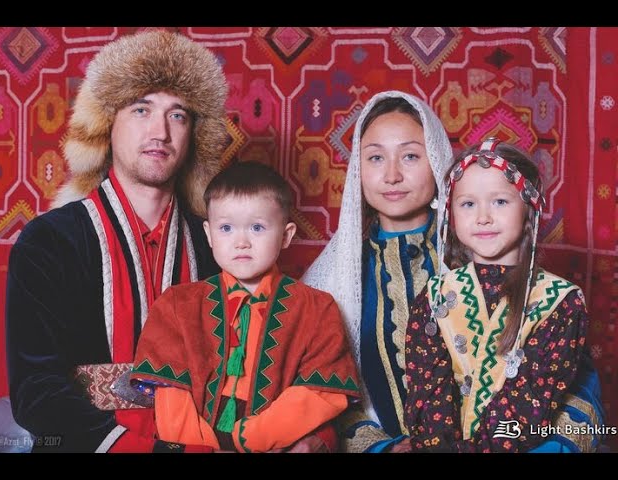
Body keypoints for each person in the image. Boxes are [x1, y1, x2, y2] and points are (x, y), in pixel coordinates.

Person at [6, 30, 227, 452]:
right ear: (108, 123)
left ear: (194, 134)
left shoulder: (217, 244)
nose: (161, 131)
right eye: (141, 109)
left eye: (178, 115)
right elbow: (35, 392)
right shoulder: (48, 242)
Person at [130, 161, 360, 453]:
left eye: (257, 227)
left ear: (286, 235)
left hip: (275, 443)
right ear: (209, 234)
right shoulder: (177, 304)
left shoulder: (317, 308)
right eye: (226, 228)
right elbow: (171, 397)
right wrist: (203, 449)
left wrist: (252, 438)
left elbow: (321, 394)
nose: (241, 242)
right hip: (197, 443)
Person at [404, 138, 605, 452]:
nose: (483, 216)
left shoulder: (559, 302)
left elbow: (527, 406)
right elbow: (427, 396)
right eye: (468, 204)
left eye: (499, 201)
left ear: (529, 208)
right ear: (450, 212)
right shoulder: (435, 297)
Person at [302, 91, 454, 452]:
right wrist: (381, 447)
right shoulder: (330, 278)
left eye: (410, 156)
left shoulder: (481, 258)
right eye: (375, 158)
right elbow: (316, 391)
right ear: (358, 168)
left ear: (437, 159)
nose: (392, 175)